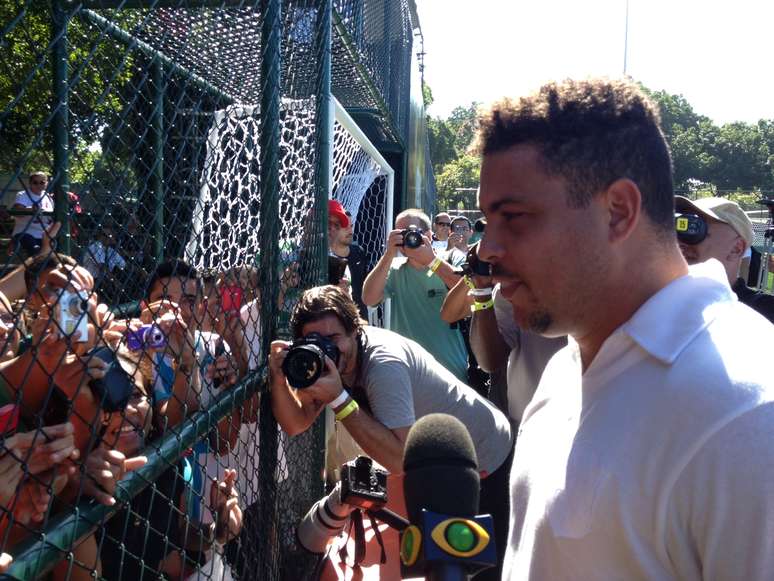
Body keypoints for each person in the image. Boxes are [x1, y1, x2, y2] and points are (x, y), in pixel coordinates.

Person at [476, 78, 774, 580]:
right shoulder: (565, 368)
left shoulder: (749, 414)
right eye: (487, 220)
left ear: (618, 212)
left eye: (515, 217)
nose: (487, 249)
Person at [269, 285, 513, 579]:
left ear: (354, 331)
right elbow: (296, 423)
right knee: (430, 557)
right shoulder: (332, 362)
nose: (326, 349)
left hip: (485, 457)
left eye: (332, 339)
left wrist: (339, 400)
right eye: (314, 341)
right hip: (432, 459)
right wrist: (278, 378)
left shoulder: (383, 365)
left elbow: (399, 460)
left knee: (477, 566)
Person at [361, 209, 469, 382]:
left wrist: (430, 261)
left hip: (449, 369)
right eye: (400, 233)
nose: (406, 239)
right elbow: (369, 299)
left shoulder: (450, 257)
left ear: (427, 234)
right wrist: (388, 254)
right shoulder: (395, 268)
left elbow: (467, 286)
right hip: (408, 370)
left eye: (410, 232)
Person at [675, 195, 774, 322]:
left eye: (695, 228)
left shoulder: (765, 312)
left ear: (736, 249)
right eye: (679, 228)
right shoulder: (658, 302)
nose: (680, 242)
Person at [327, 200, 368, 318]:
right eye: (345, 227)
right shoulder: (321, 259)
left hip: (359, 320)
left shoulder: (359, 252)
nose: (350, 231)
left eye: (351, 226)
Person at [11, 172, 54, 258]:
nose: (38, 185)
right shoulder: (23, 195)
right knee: (35, 250)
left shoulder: (48, 197)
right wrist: (30, 209)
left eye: (42, 182)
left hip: (44, 234)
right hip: (25, 232)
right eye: (35, 182)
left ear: (46, 183)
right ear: (30, 183)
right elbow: (17, 212)